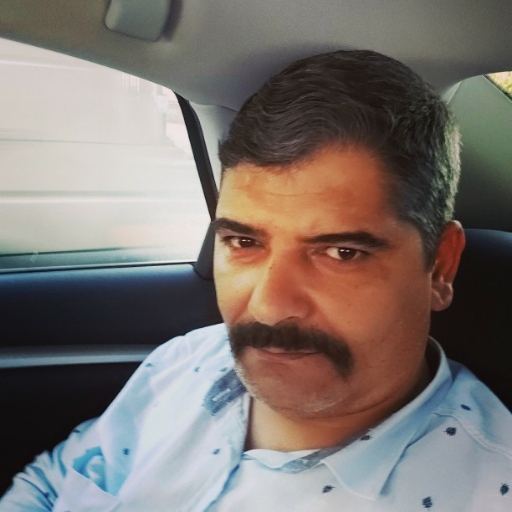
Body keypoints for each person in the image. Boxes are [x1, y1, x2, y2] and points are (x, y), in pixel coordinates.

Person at [1, 49, 511, 512]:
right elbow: (55, 483)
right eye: (244, 242)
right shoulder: (186, 361)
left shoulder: (489, 489)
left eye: (341, 252)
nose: (267, 307)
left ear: (439, 266)